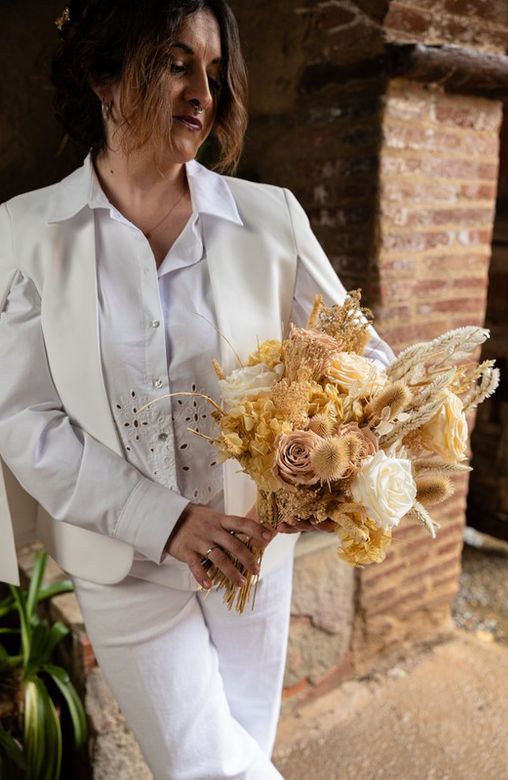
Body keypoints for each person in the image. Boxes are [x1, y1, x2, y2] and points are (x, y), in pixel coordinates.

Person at [0, 1, 394, 777]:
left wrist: (318, 454)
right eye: (178, 62)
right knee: (204, 768)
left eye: (214, 72)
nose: (203, 93)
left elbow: (366, 360)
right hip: (124, 565)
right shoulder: (24, 232)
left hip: (255, 557)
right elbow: (24, 418)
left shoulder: (268, 219)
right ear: (102, 76)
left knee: (244, 754)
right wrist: (167, 520)